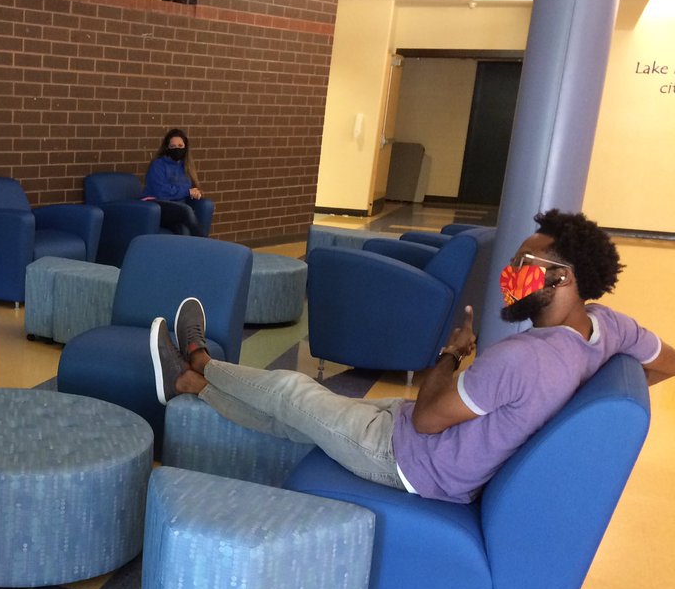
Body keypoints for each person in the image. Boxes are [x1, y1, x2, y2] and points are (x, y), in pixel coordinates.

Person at [150, 210, 675, 504]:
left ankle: (198, 360)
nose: (508, 276)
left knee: (293, 392)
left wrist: (452, 354)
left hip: (412, 461)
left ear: (560, 278)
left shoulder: (524, 359)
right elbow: (668, 361)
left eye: (522, 264)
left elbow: (426, 420)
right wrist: (584, 394)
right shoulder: (607, 327)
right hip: (440, 450)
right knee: (298, 419)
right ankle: (194, 387)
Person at [142, 128, 207, 237]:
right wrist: (187, 191)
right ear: (167, 148)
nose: (177, 149)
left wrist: (195, 193)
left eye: (180, 146)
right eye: (173, 146)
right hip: (157, 205)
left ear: (185, 147)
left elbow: (189, 189)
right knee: (186, 211)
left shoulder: (185, 167)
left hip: (177, 208)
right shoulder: (158, 165)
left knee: (183, 229)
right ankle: (206, 244)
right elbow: (161, 193)